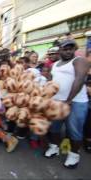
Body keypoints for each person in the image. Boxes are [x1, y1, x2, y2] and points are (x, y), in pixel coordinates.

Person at [44, 39, 89, 169]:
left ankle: (74, 155)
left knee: (74, 130)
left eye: (71, 48)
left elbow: (79, 80)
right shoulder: (54, 64)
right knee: (54, 127)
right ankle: (54, 147)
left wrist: (68, 100)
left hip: (75, 102)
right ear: (60, 50)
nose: (68, 51)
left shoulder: (80, 61)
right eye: (65, 48)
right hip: (56, 101)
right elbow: (51, 82)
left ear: (74, 50)